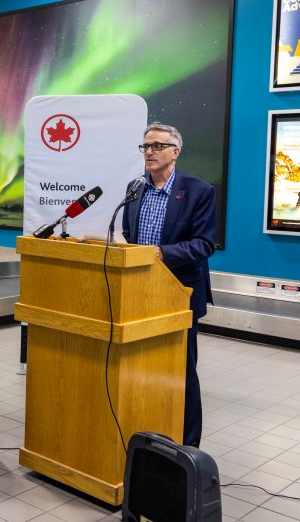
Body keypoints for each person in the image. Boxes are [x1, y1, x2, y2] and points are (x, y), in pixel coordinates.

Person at [122, 122, 217, 448]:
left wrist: (162, 253)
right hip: (141, 293)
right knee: (144, 365)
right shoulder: (135, 189)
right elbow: (129, 235)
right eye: (145, 146)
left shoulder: (198, 191)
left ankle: (189, 445)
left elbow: (204, 245)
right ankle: (149, 427)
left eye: (157, 146)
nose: (149, 152)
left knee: (181, 370)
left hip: (180, 294)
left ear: (175, 152)